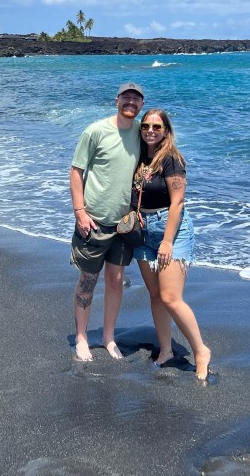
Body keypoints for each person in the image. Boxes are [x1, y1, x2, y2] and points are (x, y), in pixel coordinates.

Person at [130, 108, 211, 380]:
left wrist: (166, 241)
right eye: (145, 126)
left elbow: (177, 203)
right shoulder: (140, 157)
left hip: (171, 230)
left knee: (171, 298)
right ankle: (165, 350)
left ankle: (200, 350)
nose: (150, 131)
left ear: (166, 131)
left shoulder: (171, 159)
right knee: (155, 295)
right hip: (143, 230)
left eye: (156, 127)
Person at [69, 82, 145, 362]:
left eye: (136, 99)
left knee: (116, 280)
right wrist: (80, 211)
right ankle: (81, 337)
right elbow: (76, 170)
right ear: (116, 101)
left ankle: (109, 338)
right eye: (126, 97)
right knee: (88, 279)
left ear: (141, 105)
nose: (130, 102)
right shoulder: (95, 131)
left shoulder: (142, 132)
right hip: (94, 221)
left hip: (124, 224)